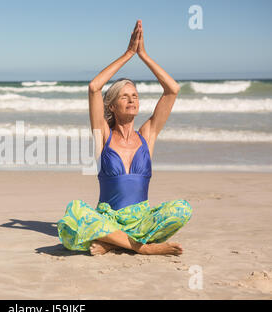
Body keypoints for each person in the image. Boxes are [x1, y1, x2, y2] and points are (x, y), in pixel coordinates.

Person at [57, 20, 193, 256]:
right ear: (111, 105)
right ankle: (143, 248)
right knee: (75, 210)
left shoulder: (147, 136)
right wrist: (128, 53)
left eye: (135, 96)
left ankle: (112, 243)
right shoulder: (103, 136)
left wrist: (144, 55)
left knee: (183, 209)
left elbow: (172, 89)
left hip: (141, 222)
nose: (132, 100)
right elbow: (94, 87)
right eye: (124, 96)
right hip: (107, 220)